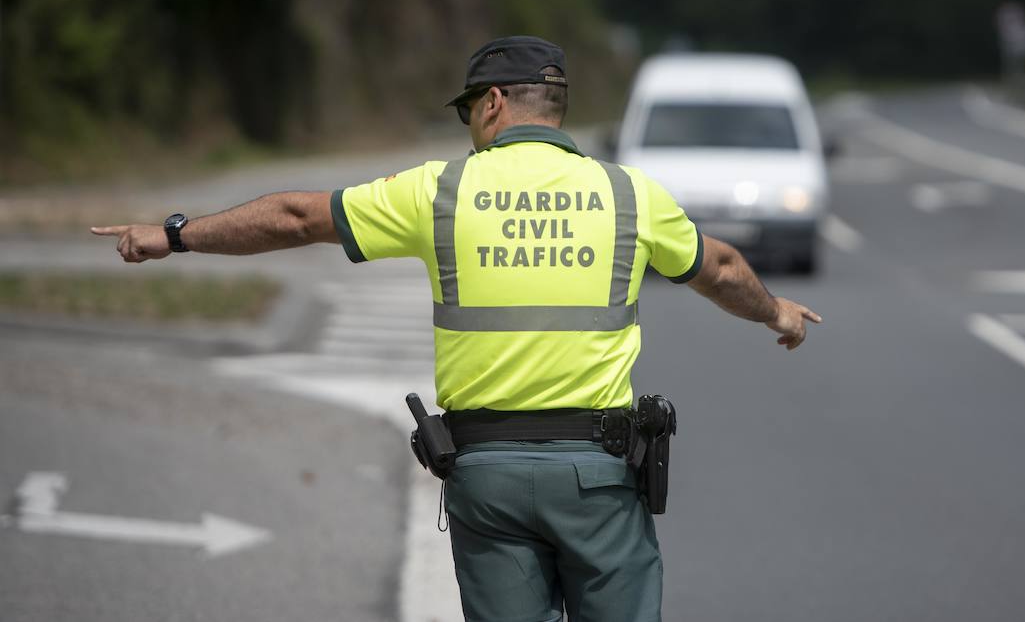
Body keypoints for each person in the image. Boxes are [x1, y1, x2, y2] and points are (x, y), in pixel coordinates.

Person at [92, 34, 822, 622]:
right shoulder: (625, 192)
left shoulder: (441, 189)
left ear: (495, 103)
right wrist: (777, 312)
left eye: (467, 109)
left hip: (488, 480)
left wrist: (176, 234)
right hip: (598, 479)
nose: (467, 126)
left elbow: (296, 217)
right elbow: (721, 266)